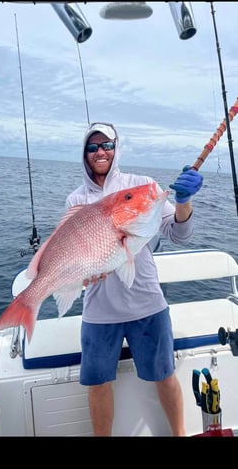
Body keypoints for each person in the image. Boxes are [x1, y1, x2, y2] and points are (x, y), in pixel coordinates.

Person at [65, 122, 203, 436]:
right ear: (85, 154)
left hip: (147, 304)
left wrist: (184, 200)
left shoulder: (141, 186)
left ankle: (179, 434)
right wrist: (83, 274)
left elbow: (179, 233)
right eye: (93, 147)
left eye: (107, 145)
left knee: (164, 375)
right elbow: (78, 254)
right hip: (100, 311)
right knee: (98, 384)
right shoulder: (76, 200)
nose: (100, 152)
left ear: (117, 148)